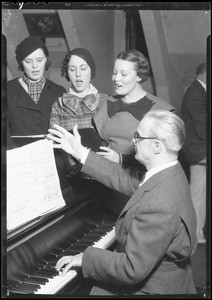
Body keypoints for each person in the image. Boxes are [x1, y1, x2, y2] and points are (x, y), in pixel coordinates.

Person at [47, 110, 197, 296]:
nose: (133, 142)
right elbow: (123, 177)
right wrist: (80, 152)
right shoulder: (169, 172)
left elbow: (131, 268)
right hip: (164, 275)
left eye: (138, 137)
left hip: (155, 288)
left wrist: (85, 257)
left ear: (157, 146)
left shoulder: (160, 202)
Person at [94, 49, 175, 215]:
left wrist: (121, 159)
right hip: (107, 185)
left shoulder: (161, 110)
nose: (116, 79)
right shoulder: (106, 103)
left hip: (140, 189)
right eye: (115, 73)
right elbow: (99, 142)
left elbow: (163, 163)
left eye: (124, 74)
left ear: (139, 76)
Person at [49, 48, 108, 180]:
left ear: (91, 70)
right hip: (72, 177)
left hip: (105, 175)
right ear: (67, 72)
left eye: (83, 68)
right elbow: (55, 149)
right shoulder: (58, 105)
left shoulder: (106, 102)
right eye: (72, 69)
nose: (78, 74)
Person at [7, 37, 66, 142]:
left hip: (54, 155)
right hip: (17, 155)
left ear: (46, 59)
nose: (35, 66)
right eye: (28, 61)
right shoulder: (7, 90)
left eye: (39, 60)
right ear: (21, 63)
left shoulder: (59, 91)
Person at [181, 62, 207, 244]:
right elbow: (203, 130)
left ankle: (197, 234)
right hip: (199, 150)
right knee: (197, 195)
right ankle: (195, 235)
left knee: (199, 194)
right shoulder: (196, 94)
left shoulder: (198, 91)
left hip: (200, 149)